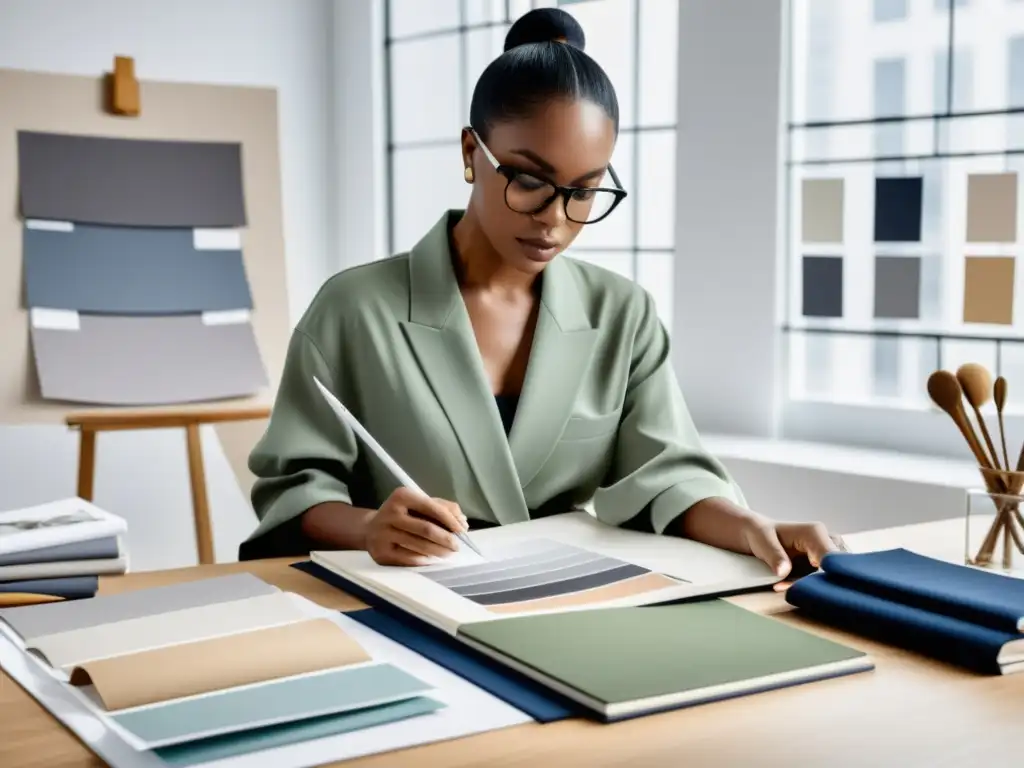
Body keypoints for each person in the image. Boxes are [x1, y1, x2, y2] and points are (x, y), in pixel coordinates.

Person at [239, 7, 844, 584]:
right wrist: (370, 527)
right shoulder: (354, 309)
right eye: (529, 180)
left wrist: (753, 527)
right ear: (472, 153)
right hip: (402, 596)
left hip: (562, 595)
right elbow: (295, 487)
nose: (555, 218)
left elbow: (667, 475)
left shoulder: (621, 314)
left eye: (584, 191)